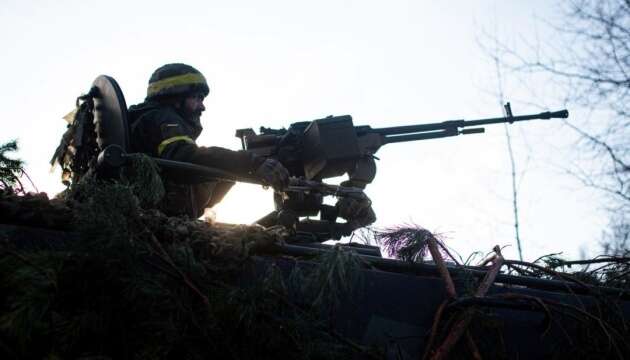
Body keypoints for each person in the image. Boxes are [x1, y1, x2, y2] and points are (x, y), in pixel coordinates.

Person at [128, 63, 290, 218]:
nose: (202, 106)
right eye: (197, 98)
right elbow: (183, 159)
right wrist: (251, 162)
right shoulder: (163, 117)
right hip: (159, 213)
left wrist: (235, 172)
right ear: (176, 97)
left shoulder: (148, 118)